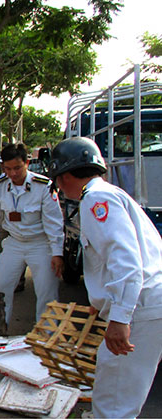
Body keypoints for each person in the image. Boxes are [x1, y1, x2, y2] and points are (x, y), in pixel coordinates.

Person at [49, 137, 162, 419]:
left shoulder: (96, 200)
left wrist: (120, 318)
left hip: (141, 308)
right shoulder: (108, 193)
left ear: (63, 177)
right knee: (115, 388)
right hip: (147, 302)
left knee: (115, 403)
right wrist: (104, 302)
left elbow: (126, 262)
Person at [0, 143, 64, 322]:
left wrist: (57, 252)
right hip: (14, 243)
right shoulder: (0, 187)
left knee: (47, 292)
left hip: (40, 244)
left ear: (27, 163)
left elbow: (54, 223)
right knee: (1, 289)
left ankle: (46, 337)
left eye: (17, 168)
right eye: (8, 169)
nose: (13, 174)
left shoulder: (43, 186)